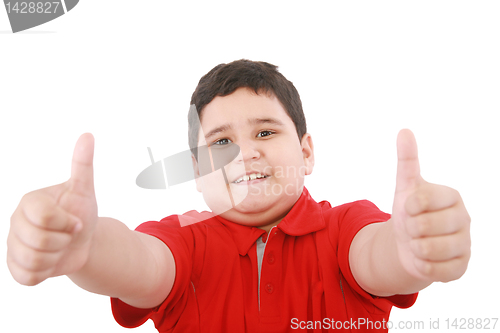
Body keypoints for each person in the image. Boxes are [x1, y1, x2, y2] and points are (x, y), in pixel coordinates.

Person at [6, 59, 471, 332]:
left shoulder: (346, 228)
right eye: (221, 143)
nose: (245, 153)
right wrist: (84, 250)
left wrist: (412, 250)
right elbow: (139, 263)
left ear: (306, 153)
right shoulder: (182, 241)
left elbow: (378, 254)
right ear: (196, 171)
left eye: (265, 132)